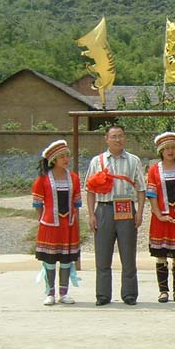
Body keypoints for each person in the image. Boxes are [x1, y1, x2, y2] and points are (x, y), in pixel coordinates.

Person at [85, 125, 146, 306]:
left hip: (126, 209)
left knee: (128, 254)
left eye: (120, 136)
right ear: (106, 139)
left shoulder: (133, 160)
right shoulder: (97, 161)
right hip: (104, 209)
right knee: (102, 255)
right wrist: (91, 214)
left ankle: (129, 294)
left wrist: (139, 212)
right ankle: (103, 295)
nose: (117, 139)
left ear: (125, 138)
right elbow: (89, 190)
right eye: (114, 136)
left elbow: (141, 188)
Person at [32, 140, 81, 306]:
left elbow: (76, 203)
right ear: (53, 159)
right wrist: (43, 219)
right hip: (50, 226)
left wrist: (75, 222)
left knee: (66, 259)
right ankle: (50, 293)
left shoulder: (73, 178)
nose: (66, 159)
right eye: (62, 156)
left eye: (67, 156)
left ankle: (64, 293)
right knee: (50, 260)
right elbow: (38, 204)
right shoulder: (43, 179)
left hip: (68, 225)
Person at [146, 132, 175, 303]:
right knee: (161, 256)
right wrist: (158, 214)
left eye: (173, 148)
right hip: (161, 219)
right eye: (167, 148)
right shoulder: (153, 170)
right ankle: (163, 291)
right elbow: (152, 194)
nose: (170, 151)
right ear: (161, 151)